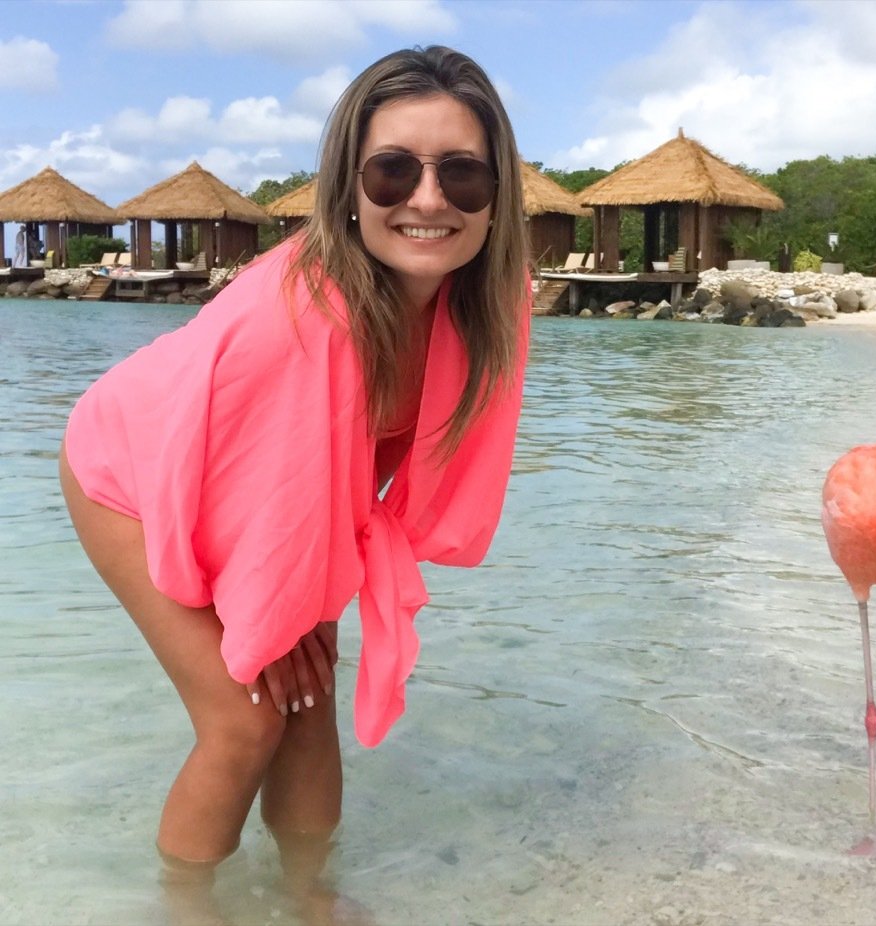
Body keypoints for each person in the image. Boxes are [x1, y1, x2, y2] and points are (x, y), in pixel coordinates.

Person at [59, 45, 530, 920]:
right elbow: (264, 477)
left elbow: (386, 467)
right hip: (129, 471)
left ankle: (310, 896)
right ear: (348, 190)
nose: (428, 200)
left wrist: (309, 611)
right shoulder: (304, 319)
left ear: (497, 195)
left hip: (276, 483)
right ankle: (186, 908)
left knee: (307, 692)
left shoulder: (493, 301)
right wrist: (281, 611)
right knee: (244, 720)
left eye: (461, 175)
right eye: (392, 172)